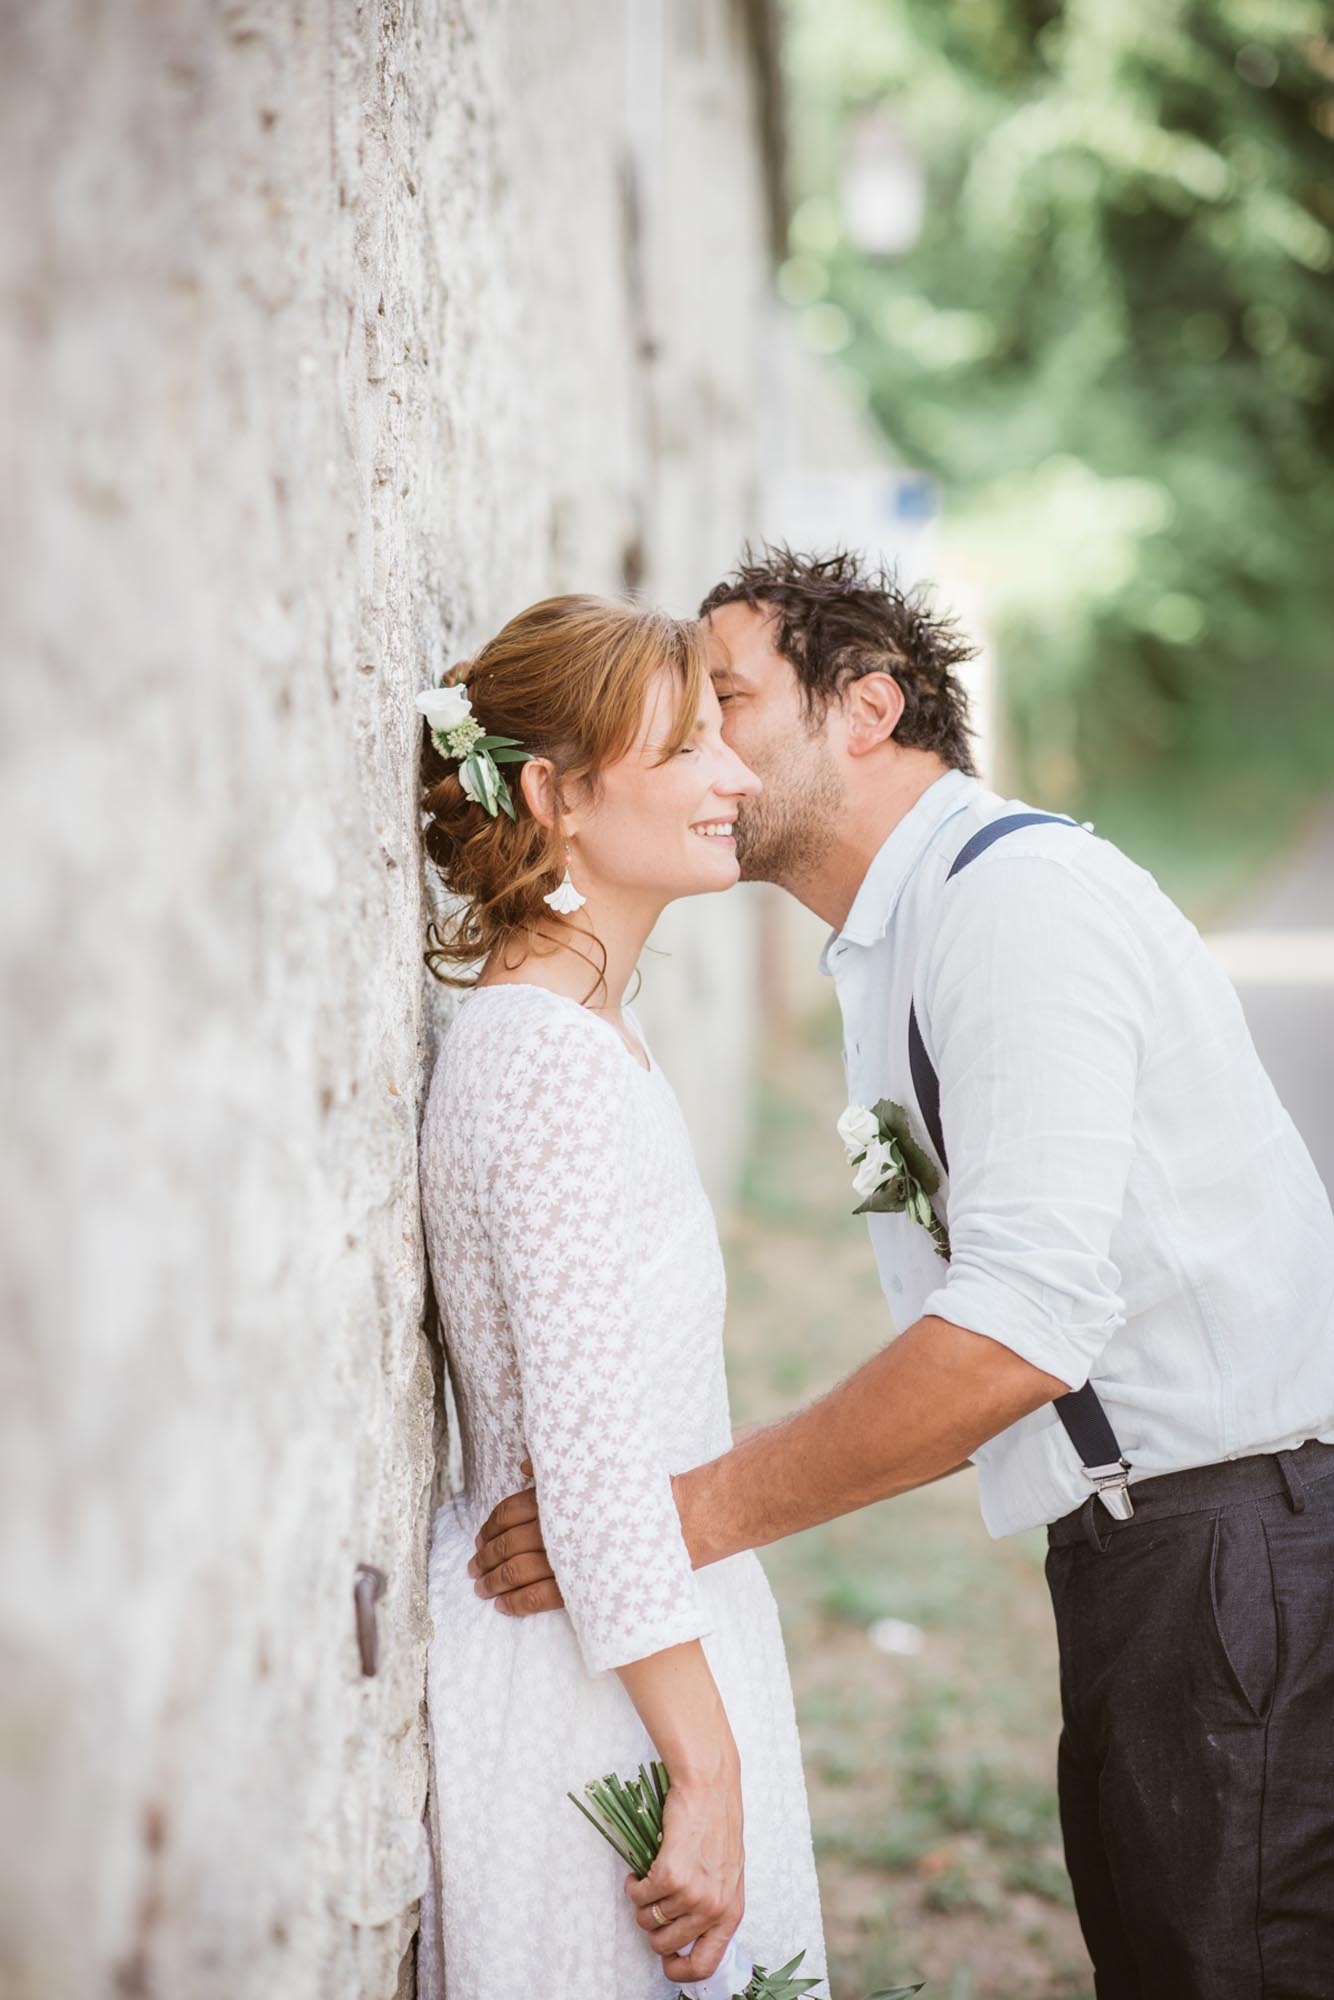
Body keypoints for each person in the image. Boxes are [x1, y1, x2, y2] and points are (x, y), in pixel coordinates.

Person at [471, 548, 1334, 2000]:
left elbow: (1013, 1333)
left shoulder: (1015, 905)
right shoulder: (902, 934)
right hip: (1158, 1556)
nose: (701, 743)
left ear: (864, 709)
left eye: (724, 698)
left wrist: (661, 1521)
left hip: (1233, 1550)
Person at [415, 592, 828, 2000]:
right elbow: (591, 1468)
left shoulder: (589, 1032)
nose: (738, 777)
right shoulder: (544, 1066)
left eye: (728, 736)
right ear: (553, 796)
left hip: (642, 1642)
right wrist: (703, 1776)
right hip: (597, 1693)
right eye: (690, 748)